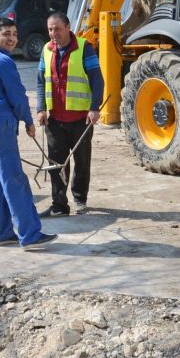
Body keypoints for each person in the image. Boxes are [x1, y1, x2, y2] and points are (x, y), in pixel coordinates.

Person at [0, 17, 57, 250]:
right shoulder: (3, 61)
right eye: (6, 34)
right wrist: (28, 120)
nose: (12, 39)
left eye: (15, 34)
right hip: (0, 126)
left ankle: (1, 232)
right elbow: (18, 96)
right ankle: (30, 235)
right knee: (14, 180)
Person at [35, 13, 104, 218]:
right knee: (57, 163)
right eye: (50, 29)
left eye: (57, 29)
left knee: (82, 161)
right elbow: (40, 81)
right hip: (55, 119)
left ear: (67, 27)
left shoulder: (84, 48)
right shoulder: (46, 50)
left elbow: (97, 80)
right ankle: (59, 205)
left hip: (81, 118)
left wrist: (94, 107)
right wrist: (41, 108)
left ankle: (80, 199)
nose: (53, 33)